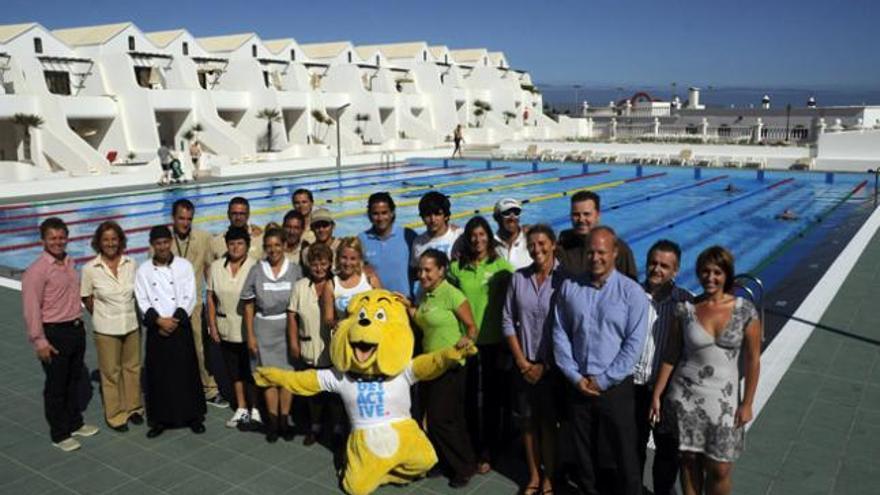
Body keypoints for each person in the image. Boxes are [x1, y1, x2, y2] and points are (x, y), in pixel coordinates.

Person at [650, 246, 761, 495]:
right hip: (685, 398)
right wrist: (657, 393)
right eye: (704, 272)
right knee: (688, 463)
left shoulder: (745, 311)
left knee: (720, 469)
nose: (710, 278)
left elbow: (753, 360)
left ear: (727, 274)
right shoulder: (686, 310)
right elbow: (671, 354)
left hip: (724, 402)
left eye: (717, 272)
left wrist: (748, 402)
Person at [552, 226, 649, 495]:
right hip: (579, 383)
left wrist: (604, 380)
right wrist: (574, 376)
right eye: (591, 251)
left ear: (615, 253)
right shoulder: (570, 288)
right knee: (583, 452)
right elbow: (560, 333)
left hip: (615, 386)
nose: (596, 257)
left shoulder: (631, 293)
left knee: (623, 451)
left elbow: (633, 344)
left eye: (602, 252)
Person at [22, 217, 99, 452]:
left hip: (74, 329)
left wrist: (80, 322)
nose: (58, 242)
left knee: (74, 380)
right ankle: (59, 433)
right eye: (52, 238)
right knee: (56, 385)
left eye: (61, 237)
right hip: (54, 333)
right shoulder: (36, 271)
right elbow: (31, 308)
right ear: (43, 240)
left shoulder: (69, 261)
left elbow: (73, 296)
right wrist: (39, 340)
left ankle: (75, 423)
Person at [404, 249, 478, 488]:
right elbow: (423, 318)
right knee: (435, 418)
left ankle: (464, 466)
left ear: (441, 270)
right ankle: (446, 461)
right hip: (430, 365)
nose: (422, 274)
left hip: (451, 365)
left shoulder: (451, 294)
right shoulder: (426, 295)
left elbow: (471, 326)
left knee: (442, 419)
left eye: (427, 270)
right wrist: (407, 307)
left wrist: (468, 339)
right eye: (420, 270)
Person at [502, 224, 565, 495]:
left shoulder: (565, 279)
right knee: (527, 423)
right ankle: (533, 477)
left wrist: (545, 365)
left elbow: (570, 324)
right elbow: (507, 319)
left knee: (549, 425)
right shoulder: (518, 278)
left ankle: (549, 477)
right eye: (532, 245)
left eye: (542, 244)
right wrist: (521, 362)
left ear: (553, 245)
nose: (537, 249)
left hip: (553, 367)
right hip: (524, 363)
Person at [448, 216, 513, 475]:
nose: (477, 240)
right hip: (466, 343)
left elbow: (513, 304)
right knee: (467, 398)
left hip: (494, 341)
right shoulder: (456, 268)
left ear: (489, 237)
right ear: (467, 238)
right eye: (473, 235)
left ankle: (488, 449)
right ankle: (471, 446)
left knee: (491, 399)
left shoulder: (501, 267)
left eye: (482, 234)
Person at [632, 240, 693, 495]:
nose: (657, 269)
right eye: (653, 263)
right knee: (632, 450)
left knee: (667, 454)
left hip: (667, 391)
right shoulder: (631, 293)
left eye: (664, 266)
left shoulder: (686, 303)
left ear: (675, 271)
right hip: (632, 386)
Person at [135, 225, 206, 438]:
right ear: (153, 245)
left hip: (179, 325)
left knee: (186, 373)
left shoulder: (184, 266)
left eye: (166, 242)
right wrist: (158, 321)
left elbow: (189, 295)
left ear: (170, 243)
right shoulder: (144, 270)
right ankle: (159, 420)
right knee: (159, 376)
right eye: (158, 243)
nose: (163, 247)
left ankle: (193, 416)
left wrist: (175, 319)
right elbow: (142, 299)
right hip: (157, 329)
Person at [80, 221, 143, 432]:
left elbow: (139, 294)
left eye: (114, 239)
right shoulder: (90, 269)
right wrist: (103, 315)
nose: (110, 243)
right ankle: (116, 415)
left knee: (132, 369)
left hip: (132, 325)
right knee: (110, 373)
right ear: (99, 242)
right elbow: (87, 298)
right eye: (106, 239)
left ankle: (134, 408)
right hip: (106, 329)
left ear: (120, 240)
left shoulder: (131, 263)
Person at [241, 228, 303, 442]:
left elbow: (301, 301)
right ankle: (273, 422)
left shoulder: (295, 270)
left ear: (284, 246)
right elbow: (248, 305)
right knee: (268, 377)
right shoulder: (257, 271)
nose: (273, 250)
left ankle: (285, 419)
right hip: (264, 328)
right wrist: (250, 335)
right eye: (269, 246)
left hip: (288, 328)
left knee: (286, 376)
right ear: (264, 248)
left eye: (277, 245)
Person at [169, 199, 226, 408]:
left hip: (194, 304)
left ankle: (210, 389)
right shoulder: (164, 240)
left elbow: (210, 268)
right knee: (174, 349)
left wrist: (213, 298)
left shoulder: (202, 238)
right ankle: (179, 389)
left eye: (189, 219)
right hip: (170, 305)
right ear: (173, 218)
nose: (185, 223)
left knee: (201, 348)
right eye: (181, 218)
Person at [206, 227, 260, 429]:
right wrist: (212, 325)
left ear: (247, 245)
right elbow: (210, 297)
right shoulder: (217, 266)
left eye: (240, 243)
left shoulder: (255, 266)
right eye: (232, 243)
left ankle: (255, 408)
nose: (235, 247)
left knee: (251, 370)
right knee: (234, 370)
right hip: (226, 326)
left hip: (249, 330)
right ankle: (241, 407)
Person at [287, 242, 336, 446]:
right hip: (309, 347)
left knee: (334, 394)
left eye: (323, 263)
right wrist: (294, 343)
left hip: (332, 350)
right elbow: (292, 316)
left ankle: (337, 428)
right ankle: (315, 427)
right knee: (313, 392)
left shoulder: (336, 285)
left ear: (330, 264)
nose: (318, 268)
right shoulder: (300, 286)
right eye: (315, 264)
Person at [556, 190, 638, 280]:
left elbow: (632, 286)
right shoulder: (562, 246)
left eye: (587, 214)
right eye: (576, 215)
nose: (581, 219)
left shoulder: (619, 249)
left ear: (597, 215)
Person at [358, 192, 418, 298]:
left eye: (384, 212)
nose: (380, 218)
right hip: (376, 304)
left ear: (392, 213)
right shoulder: (361, 239)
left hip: (404, 302)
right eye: (375, 213)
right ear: (369, 215)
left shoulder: (408, 235)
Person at [411, 191, 462, 274]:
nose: (432, 219)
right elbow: (416, 273)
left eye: (437, 214)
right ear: (422, 217)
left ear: (446, 216)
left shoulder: (459, 236)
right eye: (428, 215)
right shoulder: (418, 242)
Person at [332, 237, 382, 319]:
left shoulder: (370, 279)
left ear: (359, 259)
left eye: (353, 259)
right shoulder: (332, 284)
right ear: (338, 257)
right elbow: (328, 318)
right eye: (344, 257)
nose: (348, 263)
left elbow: (383, 306)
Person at [493, 197, 531, 270]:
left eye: (516, 213)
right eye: (506, 213)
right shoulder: (491, 245)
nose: (512, 217)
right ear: (496, 217)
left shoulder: (530, 238)